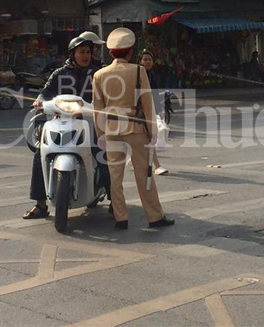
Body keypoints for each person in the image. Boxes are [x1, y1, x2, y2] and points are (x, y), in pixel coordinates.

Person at [93, 28, 174, 230]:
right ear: (129, 52)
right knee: (144, 172)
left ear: (111, 52)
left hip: (111, 129)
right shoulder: (139, 71)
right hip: (136, 129)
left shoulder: (99, 74)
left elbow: (98, 109)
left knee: (115, 175)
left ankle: (121, 217)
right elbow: (147, 104)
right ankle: (154, 216)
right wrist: (153, 132)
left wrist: (100, 135)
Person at [23, 35, 105, 219]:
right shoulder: (59, 74)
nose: (85, 56)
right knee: (40, 154)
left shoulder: (97, 73)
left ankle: (116, 203)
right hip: (62, 124)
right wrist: (39, 102)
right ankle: (41, 204)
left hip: (90, 124)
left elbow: (108, 94)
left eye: (88, 52)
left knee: (104, 154)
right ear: (72, 53)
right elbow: (45, 93)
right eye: (81, 52)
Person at [138, 50, 168, 176]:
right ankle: (157, 165)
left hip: (149, 111)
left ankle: (136, 160)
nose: (148, 62)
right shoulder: (136, 75)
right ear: (139, 61)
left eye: (150, 59)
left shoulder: (152, 75)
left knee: (148, 137)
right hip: (138, 112)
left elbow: (155, 95)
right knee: (148, 138)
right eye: (145, 59)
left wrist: (160, 111)